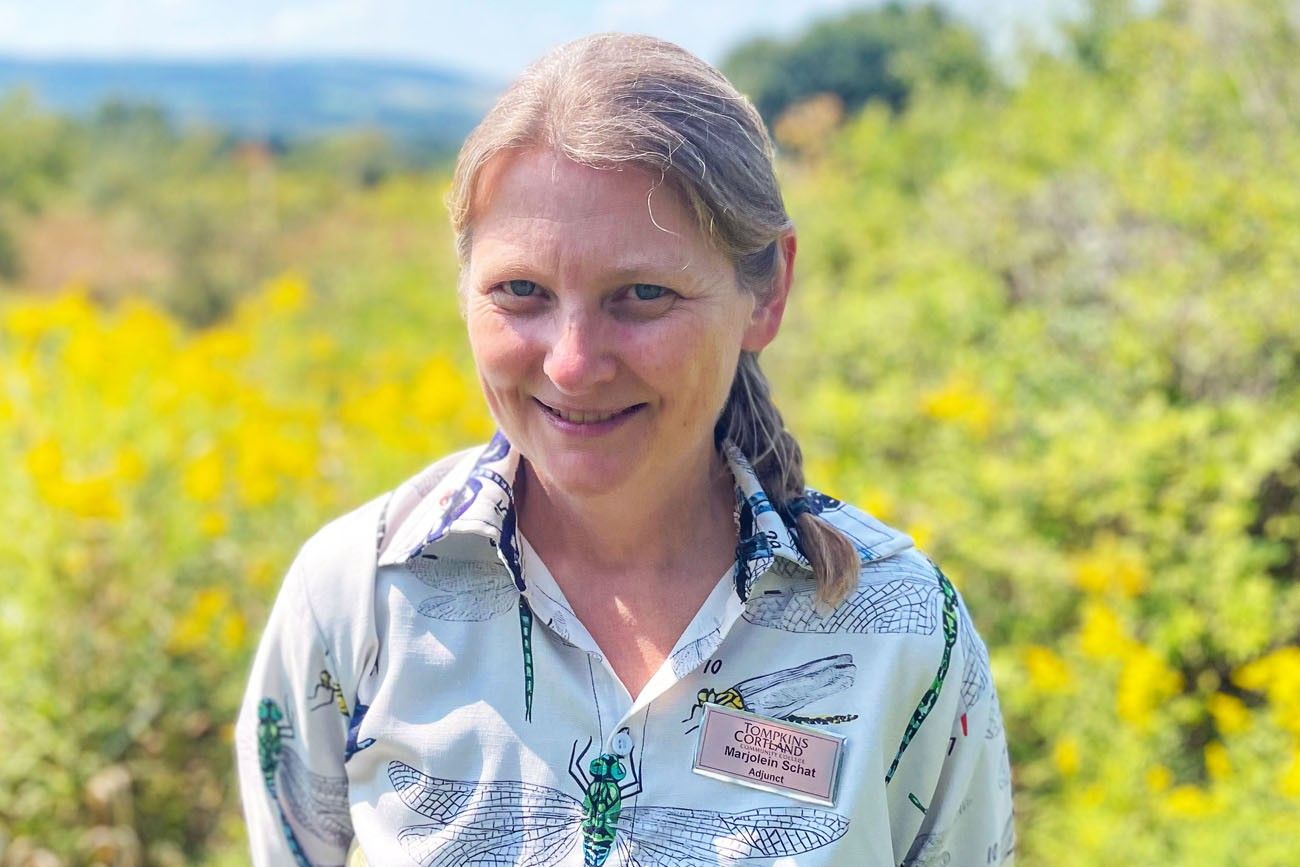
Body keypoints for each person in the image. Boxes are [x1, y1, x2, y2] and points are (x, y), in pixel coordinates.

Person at [235, 32, 1014, 867]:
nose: (572, 362)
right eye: (520, 292)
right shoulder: (357, 598)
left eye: (642, 294)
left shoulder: (902, 632)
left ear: (768, 292)